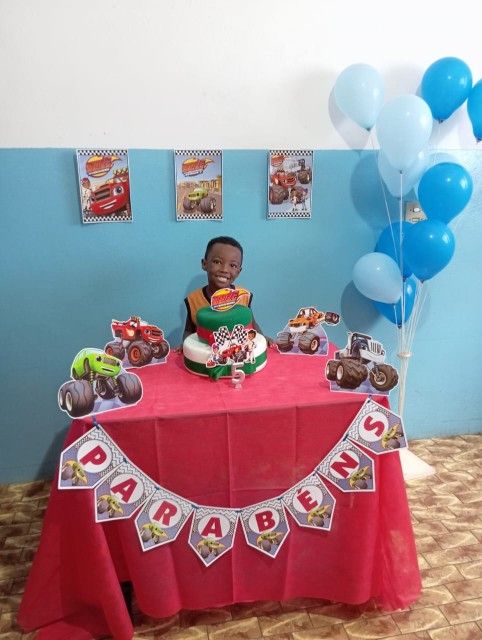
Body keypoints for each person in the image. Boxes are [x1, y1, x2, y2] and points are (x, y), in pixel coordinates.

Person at [181, 236, 272, 345]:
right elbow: (189, 330)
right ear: (204, 264)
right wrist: (186, 345)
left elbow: (252, 323)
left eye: (233, 265)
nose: (224, 270)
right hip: (207, 352)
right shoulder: (194, 300)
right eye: (217, 262)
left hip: (239, 350)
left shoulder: (243, 295)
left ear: (238, 271)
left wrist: (261, 338)